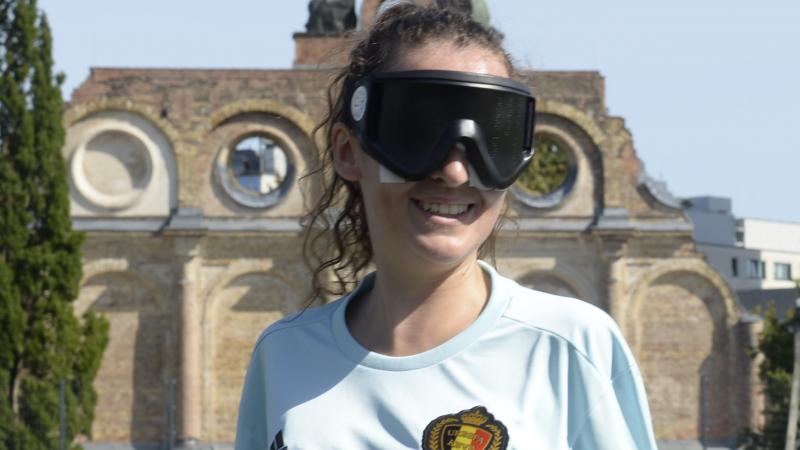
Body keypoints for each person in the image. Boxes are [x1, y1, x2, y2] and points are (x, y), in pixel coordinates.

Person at [235, 4, 657, 450]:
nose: (455, 172)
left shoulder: (571, 346)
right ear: (347, 151)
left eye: (491, 140)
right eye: (417, 132)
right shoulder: (283, 354)